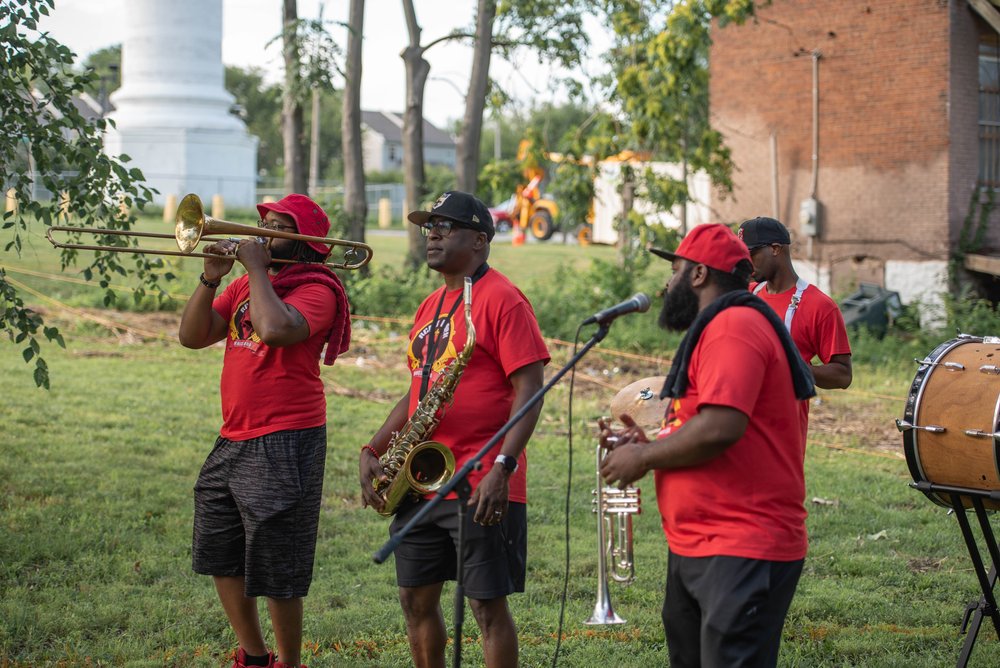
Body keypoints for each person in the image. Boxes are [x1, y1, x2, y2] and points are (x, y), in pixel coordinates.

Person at [598, 223, 816, 667]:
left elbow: (721, 427)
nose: (667, 283)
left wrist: (643, 456)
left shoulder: (734, 326)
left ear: (698, 275)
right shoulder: (720, 325)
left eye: (675, 270)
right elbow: (708, 421)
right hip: (702, 544)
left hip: (741, 545)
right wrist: (653, 439)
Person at [359, 191, 550, 668]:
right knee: (414, 602)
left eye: (447, 226)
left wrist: (503, 467)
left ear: (480, 241)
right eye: (430, 227)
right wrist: (375, 447)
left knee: (486, 608)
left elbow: (531, 388)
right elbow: (417, 391)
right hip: (420, 479)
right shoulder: (429, 306)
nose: (433, 235)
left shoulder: (504, 300)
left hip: (481, 479)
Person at [178, 194, 351, 668]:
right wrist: (210, 278)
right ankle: (254, 657)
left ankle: (290, 663)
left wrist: (254, 270)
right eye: (264, 224)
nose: (261, 233)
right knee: (220, 550)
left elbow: (275, 330)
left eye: (276, 227)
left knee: (276, 563)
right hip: (233, 435)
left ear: (303, 243)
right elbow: (193, 336)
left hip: (286, 436)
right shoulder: (242, 287)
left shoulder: (318, 290)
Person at [737, 217, 852, 391]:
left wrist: (798, 368)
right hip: (741, 414)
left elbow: (843, 376)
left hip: (784, 417)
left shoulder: (818, 305)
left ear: (775, 249)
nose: (746, 262)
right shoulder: (746, 294)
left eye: (750, 254)